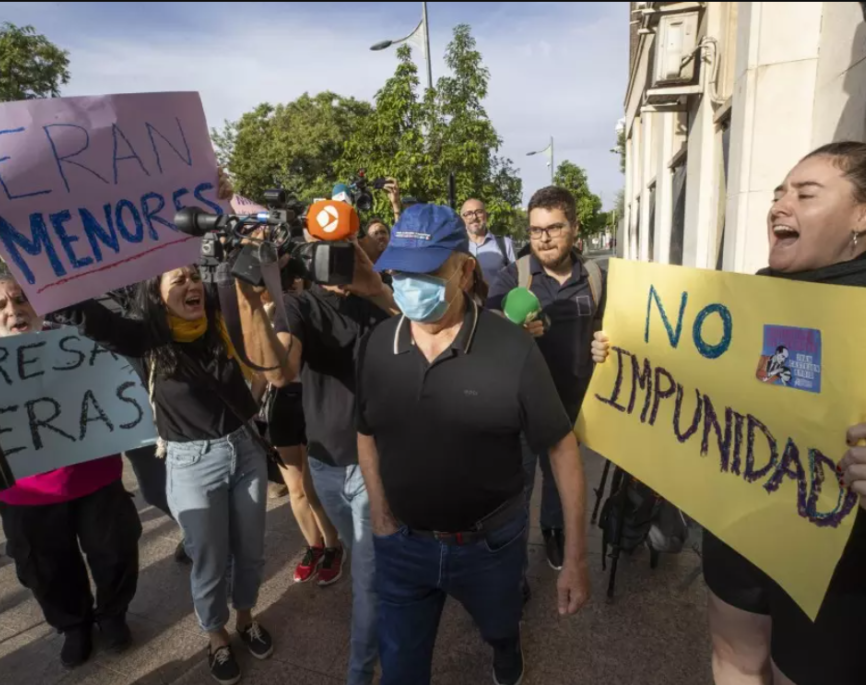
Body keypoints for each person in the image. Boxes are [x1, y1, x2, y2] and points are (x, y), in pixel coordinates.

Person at [595, 142, 866, 685]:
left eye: (805, 193)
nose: (779, 205)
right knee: (734, 659)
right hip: (747, 533)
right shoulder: (765, 301)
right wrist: (631, 356)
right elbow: (757, 392)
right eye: (779, 192)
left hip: (854, 576)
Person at [0, 192, 275, 685]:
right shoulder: (143, 337)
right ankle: (215, 636)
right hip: (191, 462)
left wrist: (217, 195)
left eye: (193, 276)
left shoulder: (219, 319)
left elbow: (241, 259)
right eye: (178, 279)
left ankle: (246, 618)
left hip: (245, 452)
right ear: (155, 292)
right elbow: (82, 309)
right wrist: (5, 244)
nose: (191, 283)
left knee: (249, 551)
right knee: (209, 559)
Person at [355, 204, 591, 685]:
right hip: (403, 548)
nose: (409, 284)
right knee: (400, 669)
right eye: (400, 271)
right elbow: (365, 431)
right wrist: (379, 513)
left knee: (500, 629)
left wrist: (577, 559)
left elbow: (563, 450)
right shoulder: (378, 344)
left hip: (490, 546)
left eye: (426, 272)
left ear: (464, 272)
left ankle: (507, 651)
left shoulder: (512, 348)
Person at [237, 225, 400, 685]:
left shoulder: (379, 299)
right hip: (327, 465)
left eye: (344, 249)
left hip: (376, 464)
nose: (335, 262)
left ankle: (360, 672)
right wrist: (251, 304)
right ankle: (395, 616)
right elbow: (282, 372)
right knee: (367, 564)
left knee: (366, 580)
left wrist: (378, 289)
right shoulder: (299, 306)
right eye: (325, 252)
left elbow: (432, 336)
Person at [0, 272, 142, 670]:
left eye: (21, 300)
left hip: (96, 479)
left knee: (115, 553)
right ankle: (74, 626)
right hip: (25, 493)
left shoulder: (76, 341)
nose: (14, 311)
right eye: (1, 306)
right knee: (46, 569)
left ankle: (113, 615)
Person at [487, 186, 607, 574]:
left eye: (554, 228)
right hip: (517, 410)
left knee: (559, 480)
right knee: (517, 488)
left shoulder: (595, 278)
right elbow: (484, 336)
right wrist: (510, 329)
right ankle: (514, 561)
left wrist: (604, 348)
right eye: (536, 229)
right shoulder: (512, 277)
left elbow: (608, 331)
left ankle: (553, 531)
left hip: (570, 406)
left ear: (574, 228)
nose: (543, 237)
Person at [258, 290, 343, 586]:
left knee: (311, 487)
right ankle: (314, 546)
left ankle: (333, 546)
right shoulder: (257, 313)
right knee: (294, 489)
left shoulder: (304, 304)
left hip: (311, 398)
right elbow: (261, 370)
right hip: (281, 403)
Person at [461, 198, 516, 282]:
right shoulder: (456, 247)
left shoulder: (505, 244)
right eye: (468, 213)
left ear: (486, 215)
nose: (474, 217)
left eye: (478, 212)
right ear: (462, 219)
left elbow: (517, 278)